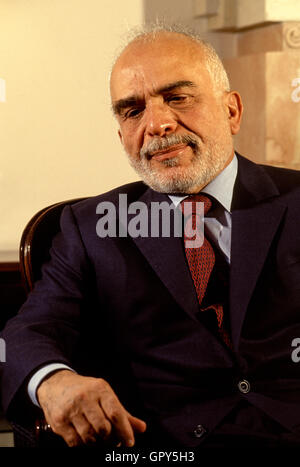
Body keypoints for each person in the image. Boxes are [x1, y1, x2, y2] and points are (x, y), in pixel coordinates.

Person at [1, 25, 300, 449]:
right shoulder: (91, 228)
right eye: (132, 110)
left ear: (231, 111)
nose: (157, 123)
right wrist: (54, 382)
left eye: (177, 97)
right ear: (121, 135)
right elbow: (26, 333)